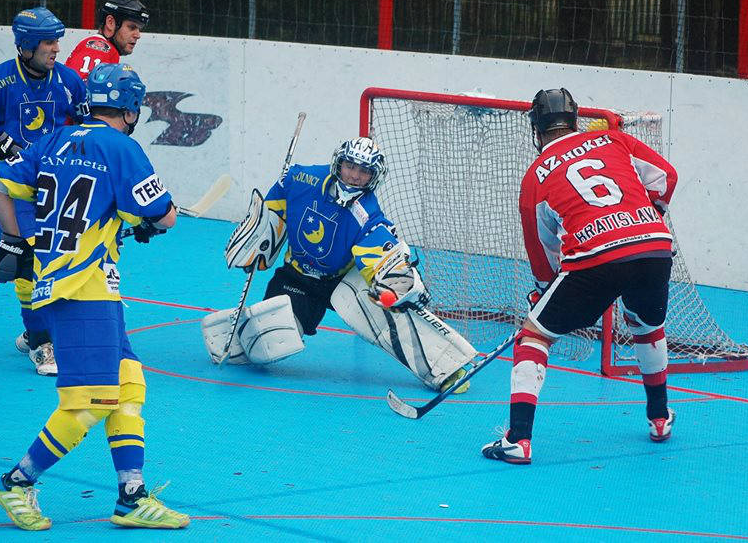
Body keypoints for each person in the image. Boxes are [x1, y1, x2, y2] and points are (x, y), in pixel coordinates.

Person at [0, 62, 187, 531]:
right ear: (130, 109)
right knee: (86, 403)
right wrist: (149, 220)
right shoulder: (122, 147)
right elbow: (165, 215)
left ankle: (131, 497)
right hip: (83, 289)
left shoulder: (54, 139)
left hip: (80, 285)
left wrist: (13, 242)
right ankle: (14, 483)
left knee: (129, 385)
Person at [482, 88, 678, 465]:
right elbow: (666, 177)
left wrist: (543, 290)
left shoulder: (535, 177)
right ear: (575, 120)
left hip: (594, 258)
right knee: (646, 325)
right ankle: (658, 419)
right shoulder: (613, 139)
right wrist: (648, 215)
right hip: (653, 246)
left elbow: (541, 247)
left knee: (534, 335)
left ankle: (518, 439)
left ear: (537, 129)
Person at [201, 137, 478, 394]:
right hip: (296, 276)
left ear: (374, 176)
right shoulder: (300, 178)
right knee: (271, 337)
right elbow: (276, 206)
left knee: (388, 317)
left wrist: (398, 283)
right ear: (338, 163)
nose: (355, 175)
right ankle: (236, 338)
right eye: (350, 166)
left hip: (341, 280)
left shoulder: (368, 214)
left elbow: (379, 254)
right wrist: (261, 233)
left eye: (364, 171)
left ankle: (445, 368)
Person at [0, 6, 88, 376]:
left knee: (58, 260)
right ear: (25, 46)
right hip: (6, 190)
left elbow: (89, 128)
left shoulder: (69, 82)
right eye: (47, 42)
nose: (56, 48)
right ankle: (41, 341)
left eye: (56, 40)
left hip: (54, 189)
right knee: (28, 263)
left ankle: (33, 328)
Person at [65, 0, 149, 80]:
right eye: (132, 27)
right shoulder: (100, 49)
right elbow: (78, 86)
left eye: (139, 29)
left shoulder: (106, 51)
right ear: (110, 22)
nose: (138, 35)